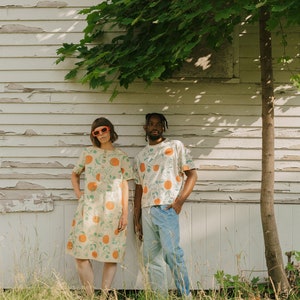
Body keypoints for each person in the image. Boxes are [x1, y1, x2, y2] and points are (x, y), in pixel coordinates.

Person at [66, 117, 133, 297]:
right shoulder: (88, 153)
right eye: (96, 132)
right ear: (93, 135)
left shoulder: (121, 156)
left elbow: (125, 185)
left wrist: (125, 214)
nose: (101, 134)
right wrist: (80, 195)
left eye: (103, 130)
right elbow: (74, 175)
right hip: (88, 211)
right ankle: (89, 295)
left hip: (113, 212)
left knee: (111, 255)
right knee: (81, 255)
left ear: (110, 129)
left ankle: (104, 295)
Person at [133, 112, 198, 298]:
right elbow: (138, 188)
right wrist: (136, 217)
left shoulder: (175, 146)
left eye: (158, 124)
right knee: (151, 258)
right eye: (151, 124)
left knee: (172, 253)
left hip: (167, 207)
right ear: (145, 128)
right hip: (147, 210)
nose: (154, 127)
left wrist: (179, 201)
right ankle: (159, 296)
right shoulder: (140, 156)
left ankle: (186, 295)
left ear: (163, 127)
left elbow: (192, 175)